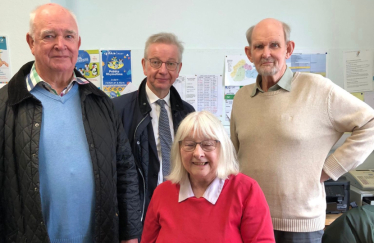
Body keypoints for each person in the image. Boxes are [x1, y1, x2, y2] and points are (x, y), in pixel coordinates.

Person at [0, 4, 141, 243]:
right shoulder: (5, 105)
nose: (60, 45)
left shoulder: (101, 103)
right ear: (31, 42)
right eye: (49, 36)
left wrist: (130, 234)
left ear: (78, 43)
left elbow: (125, 172)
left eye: (68, 36)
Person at [230, 18, 374, 243]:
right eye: (259, 46)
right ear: (249, 53)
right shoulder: (241, 98)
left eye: (274, 45)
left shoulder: (317, 89)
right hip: (250, 219)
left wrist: (329, 169)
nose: (266, 53)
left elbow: (370, 123)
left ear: (288, 49)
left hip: (300, 226)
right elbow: (234, 158)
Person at [141, 111, 275, 243]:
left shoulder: (246, 191)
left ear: (222, 148)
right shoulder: (162, 193)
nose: (198, 153)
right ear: (179, 149)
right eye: (189, 145)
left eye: (208, 144)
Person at [113, 32, 195, 222]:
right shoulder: (117, 109)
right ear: (144, 65)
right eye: (156, 62)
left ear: (179, 68)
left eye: (171, 63)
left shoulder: (188, 113)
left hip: (179, 210)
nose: (163, 70)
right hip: (138, 214)